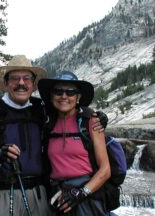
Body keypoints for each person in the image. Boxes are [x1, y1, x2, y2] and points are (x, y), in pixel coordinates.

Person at [0, 55, 107, 216]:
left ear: (33, 84)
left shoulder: (42, 109)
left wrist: (96, 116)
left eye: (27, 78)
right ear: (6, 83)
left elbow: (69, 108)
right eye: (15, 78)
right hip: (3, 194)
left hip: (42, 196)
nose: (21, 83)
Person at [38, 71, 111, 216]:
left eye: (70, 92)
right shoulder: (46, 122)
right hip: (58, 196)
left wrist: (81, 193)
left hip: (86, 197)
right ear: (51, 96)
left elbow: (105, 170)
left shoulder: (91, 121)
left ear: (78, 97)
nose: (64, 96)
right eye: (58, 91)